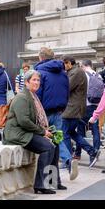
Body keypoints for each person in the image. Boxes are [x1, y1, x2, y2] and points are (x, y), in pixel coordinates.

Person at [3, 70, 67, 194]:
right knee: (48, 147)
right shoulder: (22, 97)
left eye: (38, 80)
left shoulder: (33, 96)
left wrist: (46, 130)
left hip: (26, 131)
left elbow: (34, 120)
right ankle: (40, 185)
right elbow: (24, 121)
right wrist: (42, 132)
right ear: (27, 82)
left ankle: (53, 181)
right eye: (34, 80)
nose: (37, 82)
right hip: (17, 133)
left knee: (55, 143)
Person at [34, 47, 78, 181]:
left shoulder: (40, 72)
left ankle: (45, 177)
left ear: (41, 57)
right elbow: (66, 92)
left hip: (44, 111)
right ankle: (67, 161)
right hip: (59, 110)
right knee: (56, 139)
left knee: (45, 142)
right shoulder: (63, 72)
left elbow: (37, 93)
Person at [62, 56, 100, 168]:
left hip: (72, 108)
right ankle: (92, 151)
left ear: (68, 63)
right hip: (74, 108)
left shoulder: (76, 72)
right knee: (71, 132)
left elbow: (66, 88)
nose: (63, 67)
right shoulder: (75, 71)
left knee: (65, 134)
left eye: (63, 64)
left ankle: (68, 161)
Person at [74, 60, 102, 160]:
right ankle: (95, 154)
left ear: (84, 66)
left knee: (80, 131)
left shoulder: (83, 75)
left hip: (84, 106)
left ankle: (77, 153)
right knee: (96, 131)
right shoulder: (98, 75)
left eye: (81, 66)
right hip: (95, 106)